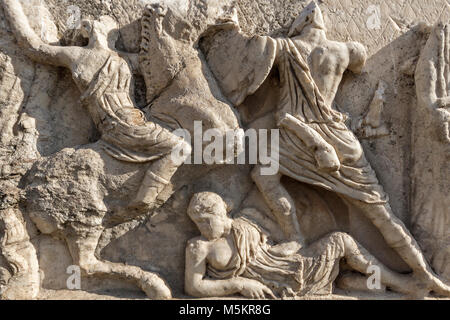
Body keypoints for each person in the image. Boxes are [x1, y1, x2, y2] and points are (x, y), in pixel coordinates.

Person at [201, 1, 450, 296]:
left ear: (302, 23)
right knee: (381, 214)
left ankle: (296, 236)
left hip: (297, 134)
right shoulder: (345, 49)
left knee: (264, 177)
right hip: (337, 137)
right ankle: (424, 275)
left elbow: (270, 97)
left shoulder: (285, 48)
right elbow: (360, 60)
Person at [1, 0, 191, 215]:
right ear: (88, 30)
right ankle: (144, 198)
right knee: (180, 147)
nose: (102, 28)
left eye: (105, 25)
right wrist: (11, 5)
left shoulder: (120, 58)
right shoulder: (77, 55)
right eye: (98, 24)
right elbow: (33, 47)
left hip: (131, 120)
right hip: (121, 125)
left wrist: (155, 24)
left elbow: (155, 62)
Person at [185, 192, 421, 299]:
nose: (202, 227)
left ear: (221, 211)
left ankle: (401, 284)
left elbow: (282, 246)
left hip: (292, 267)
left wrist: (288, 248)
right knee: (342, 269)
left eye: (207, 220)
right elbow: (194, 287)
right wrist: (238, 283)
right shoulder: (198, 247)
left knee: (341, 240)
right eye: (197, 223)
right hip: (274, 287)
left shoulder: (247, 222)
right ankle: (357, 283)